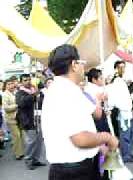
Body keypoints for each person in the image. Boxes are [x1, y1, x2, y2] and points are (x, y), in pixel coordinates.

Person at [41, 44, 118, 180]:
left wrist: (98, 147)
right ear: (74, 64)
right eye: (82, 63)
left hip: (70, 168)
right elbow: (80, 139)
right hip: (75, 171)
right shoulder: (67, 92)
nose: (84, 68)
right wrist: (107, 137)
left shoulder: (61, 88)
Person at [108, 60, 133, 163]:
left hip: (129, 110)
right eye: (120, 67)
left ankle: (128, 152)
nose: (122, 69)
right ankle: (125, 155)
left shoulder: (123, 80)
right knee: (125, 133)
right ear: (116, 68)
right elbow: (113, 96)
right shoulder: (114, 80)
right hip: (122, 111)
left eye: (123, 67)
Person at [16, 74, 46, 170]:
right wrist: (34, 95)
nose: (28, 82)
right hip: (28, 121)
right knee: (31, 142)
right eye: (25, 80)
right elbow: (21, 103)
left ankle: (36, 160)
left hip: (38, 119)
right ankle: (28, 160)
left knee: (39, 141)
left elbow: (42, 101)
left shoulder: (35, 90)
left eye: (29, 79)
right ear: (21, 82)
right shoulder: (20, 93)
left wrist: (38, 94)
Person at [2, 77, 24, 160]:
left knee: (20, 136)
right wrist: (17, 105)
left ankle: (20, 152)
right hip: (11, 119)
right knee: (16, 136)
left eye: (12, 84)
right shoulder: (5, 94)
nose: (11, 85)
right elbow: (6, 108)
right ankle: (17, 154)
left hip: (18, 117)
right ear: (6, 86)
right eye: (8, 84)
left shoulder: (15, 92)